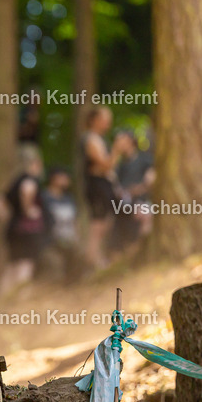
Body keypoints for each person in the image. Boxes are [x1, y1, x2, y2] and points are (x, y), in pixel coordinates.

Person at [0, 145, 47, 291]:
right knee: (26, 264)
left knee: (12, 265)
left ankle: (3, 297)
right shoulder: (30, 179)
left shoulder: (15, 181)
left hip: (13, 229)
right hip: (27, 231)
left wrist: (9, 217)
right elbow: (27, 189)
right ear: (35, 162)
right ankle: (22, 299)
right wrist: (28, 210)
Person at [81, 106, 118, 271]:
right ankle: (92, 261)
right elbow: (105, 165)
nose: (108, 124)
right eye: (105, 119)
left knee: (105, 223)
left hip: (104, 186)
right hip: (97, 186)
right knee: (98, 225)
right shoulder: (90, 139)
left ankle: (98, 259)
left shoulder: (99, 139)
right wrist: (117, 150)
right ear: (94, 120)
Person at [112, 130, 156, 249]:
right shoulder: (119, 166)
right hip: (122, 206)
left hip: (143, 202)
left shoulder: (145, 160)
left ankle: (143, 249)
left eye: (121, 140)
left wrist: (138, 189)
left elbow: (150, 181)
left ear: (130, 140)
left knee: (145, 215)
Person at [39, 166, 80, 283]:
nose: (68, 180)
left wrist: (77, 236)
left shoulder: (68, 199)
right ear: (55, 178)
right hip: (51, 242)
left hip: (70, 241)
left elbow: (74, 220)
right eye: (64, 177)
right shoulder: (44, 198)